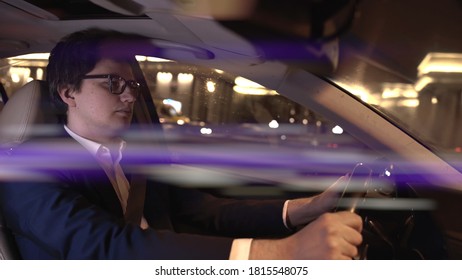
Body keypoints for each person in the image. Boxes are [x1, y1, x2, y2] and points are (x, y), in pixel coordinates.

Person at [0, 28, 362, 260]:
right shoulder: (27, 173)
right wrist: (281, 254)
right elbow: (108, 248)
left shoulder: (133, 159)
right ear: (68, 93)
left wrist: (305, 208)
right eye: (113, 83)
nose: (129, 97)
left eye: (133, 86)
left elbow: (202, 210)